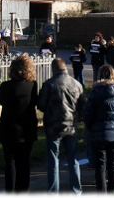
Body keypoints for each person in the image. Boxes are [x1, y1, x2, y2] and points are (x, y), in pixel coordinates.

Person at [37, 58, 85, 194]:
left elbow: (41, 105)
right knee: (73, 160)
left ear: (53, 69)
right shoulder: (77, 84)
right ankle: (76, 190)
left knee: (53, 160)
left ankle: (53, 192)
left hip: (53, 126)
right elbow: (82, 107)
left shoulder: (49, 84)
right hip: (70, 126)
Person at [0, 54, 38, 192]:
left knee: (10, 161)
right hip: (27, 127)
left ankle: (10, 191)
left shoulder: (5, 86)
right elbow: (34, 102)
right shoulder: (32, 85)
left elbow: (1, 101)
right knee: (24, 161)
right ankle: (22, 191)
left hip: (8, 126)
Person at [84, 65, 114, 193]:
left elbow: (88, 114)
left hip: (98, 132)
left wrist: (89, 128)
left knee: (100, 168)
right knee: (113, 167)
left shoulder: (95, 93)